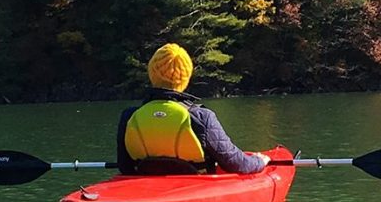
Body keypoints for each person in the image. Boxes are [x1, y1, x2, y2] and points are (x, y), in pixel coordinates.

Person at [116, 43, 271, 175]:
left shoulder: (129, 116)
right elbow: (236, 164)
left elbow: (125, 167)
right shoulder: (201, 117)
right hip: (195, 188)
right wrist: (259, 161)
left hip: (145, 189)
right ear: (186, 77)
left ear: (151, 74)